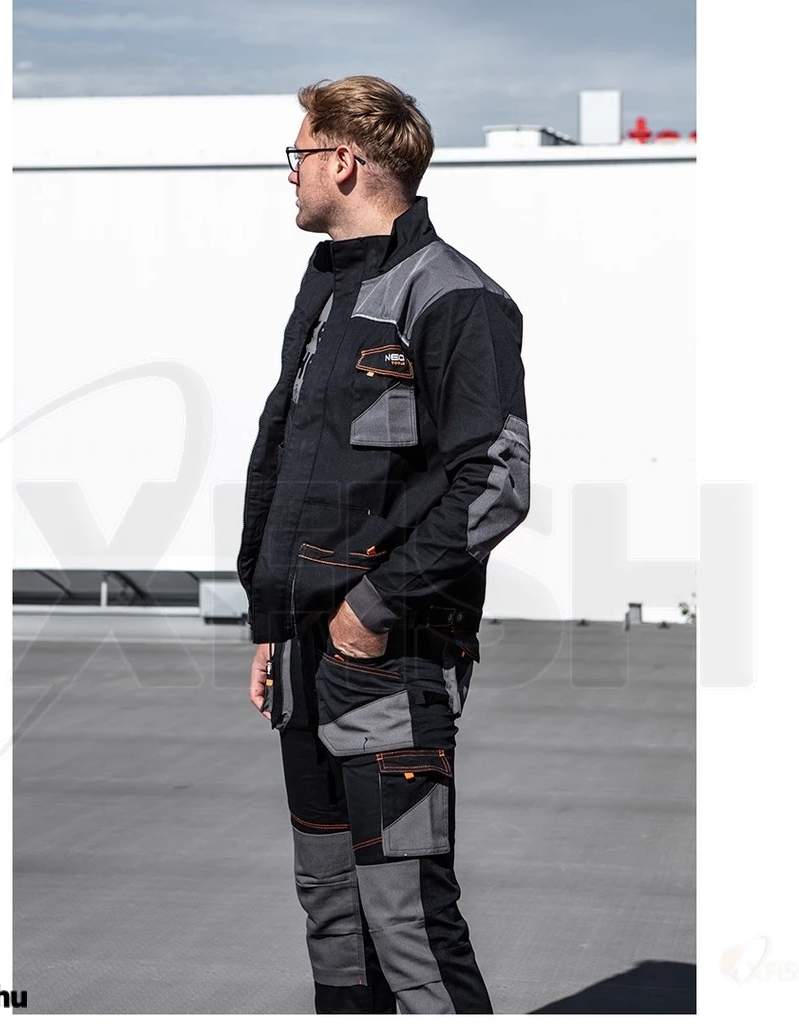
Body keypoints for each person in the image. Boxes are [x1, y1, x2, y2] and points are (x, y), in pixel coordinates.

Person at [237, 75, 530, 1015]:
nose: (288, 173)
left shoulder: (456, 298)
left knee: (408, 923)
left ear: (343, 161)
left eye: (297, 155)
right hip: (303, 659)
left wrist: (370, 613)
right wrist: (272, 623)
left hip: (390, 663)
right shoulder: (330, 288)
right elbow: (291, 467)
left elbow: (495, 484)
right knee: (332, 913)